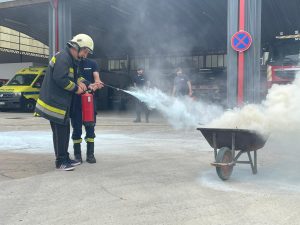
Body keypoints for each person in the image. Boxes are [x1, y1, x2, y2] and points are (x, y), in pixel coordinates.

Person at [35, 34, 95, 171]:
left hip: (59, 102)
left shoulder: (70, 59)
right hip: (54, 103)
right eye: (85, 52)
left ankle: (64, 157)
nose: (85, 55)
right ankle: (61, 161)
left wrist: (87, 84)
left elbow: (76, 77)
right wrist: (76, 89)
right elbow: (60, 79)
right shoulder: (64, 57)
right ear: (77, 46)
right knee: (61, 132)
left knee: (64, 130)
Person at [71, 58, 103, 164]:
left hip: (89, 102)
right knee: (76, 129)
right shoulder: (72, 63)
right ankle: (77, 155)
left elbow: (96, 78)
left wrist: (97, 85)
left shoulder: (92, 63)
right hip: (75, 101)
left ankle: (90, 155)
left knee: (90, 128)